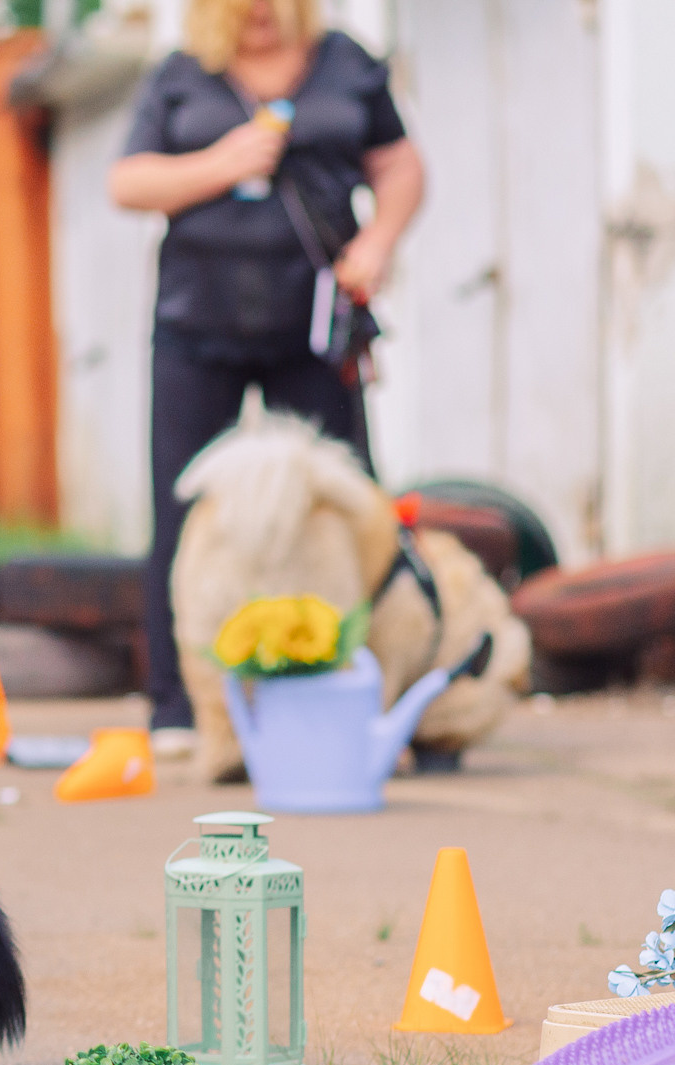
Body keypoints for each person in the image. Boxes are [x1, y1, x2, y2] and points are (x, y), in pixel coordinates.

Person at [108, 0, 424, 756]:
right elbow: (129, 182)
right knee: (181, 511)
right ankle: (180, 705)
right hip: (196, 325)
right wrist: (225, 163)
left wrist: (378, 243)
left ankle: (357, 681)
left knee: (346, 506)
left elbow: (401, 166)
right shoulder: (182, 75)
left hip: (312, 326)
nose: (260, 15)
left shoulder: (345, 63)